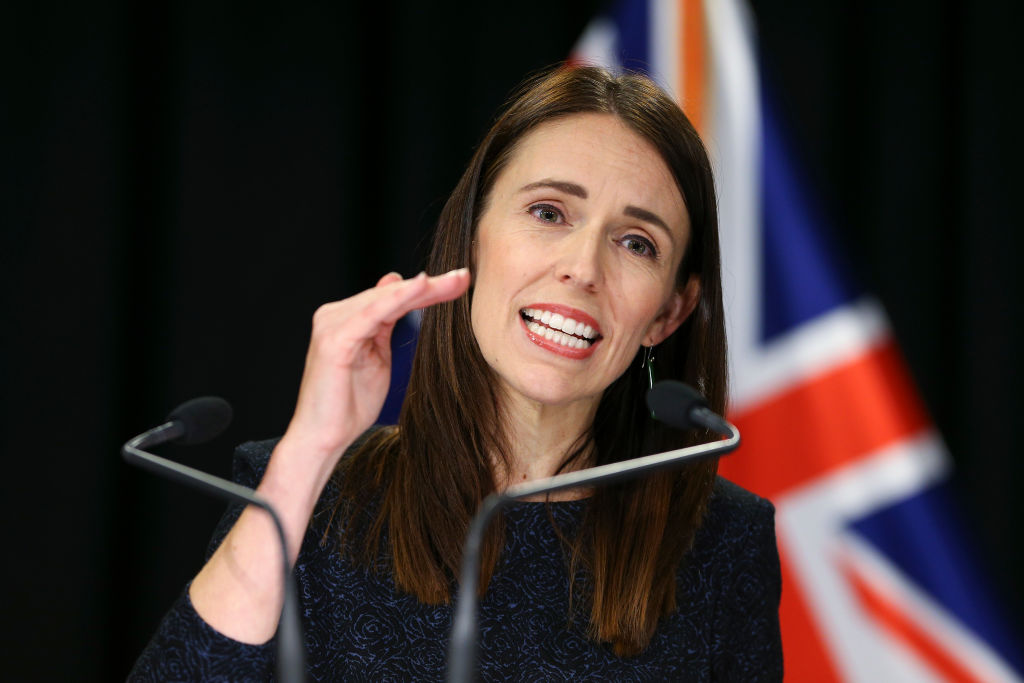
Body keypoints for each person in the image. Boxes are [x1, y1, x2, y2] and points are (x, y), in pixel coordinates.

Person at [130, 65, 782, 681]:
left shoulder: (724, 544)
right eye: (549, 212)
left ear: (668, 312)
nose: (583, 268)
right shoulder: (308, 494)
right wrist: (311, 450)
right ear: (472, 237)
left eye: (636, 243)